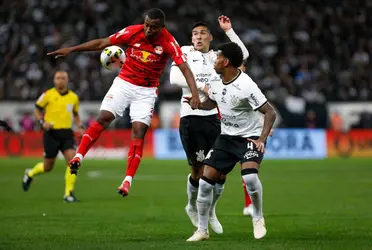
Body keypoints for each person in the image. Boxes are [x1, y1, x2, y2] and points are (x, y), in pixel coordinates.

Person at [47, 8, 201, 196]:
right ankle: (78, 157)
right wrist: (71, 49)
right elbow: (103, 42)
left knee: (138, 131)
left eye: (153, 27)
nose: (148, 30)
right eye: (146, 25)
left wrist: (195, 94)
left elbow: (185, 68)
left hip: (146, 91)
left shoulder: (169, 42)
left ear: (162, 27)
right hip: (124, 83)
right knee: (104, 117)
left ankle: (127, 180)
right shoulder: (133, 31)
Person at [184, 42, 276, 241]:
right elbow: (215, 101)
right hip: (226, 137)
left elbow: (270, 111)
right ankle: (202, 230)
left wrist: (261, 138)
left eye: (217, 57)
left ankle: (258, 217)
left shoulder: (246, 85)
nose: (214, 60)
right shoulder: (215, 81)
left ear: (226, 62)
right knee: (206, 181)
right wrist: (198, 103)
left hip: (249, 137)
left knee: (250, 178)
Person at [169, 17, 252, 234]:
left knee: (221, 173)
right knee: (198, 171)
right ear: (191, 38)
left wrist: (230, 30)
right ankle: (192, 206)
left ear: (210, 37)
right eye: (195, 33)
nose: (198, 37)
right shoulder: (184, 52)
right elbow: (174, 78)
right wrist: (202, 86)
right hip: (191, 118)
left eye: (203, 33)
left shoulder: (218, 56)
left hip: (216, 118)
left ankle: (211, 210)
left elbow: (242, 56)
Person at [22, 71, 84, 202]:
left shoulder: (73, 97)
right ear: (54, 80)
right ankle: (30, 173)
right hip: (51, 134)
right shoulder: (47, 95)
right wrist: (42, 122)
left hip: (67, 133)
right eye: (58, 78)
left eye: (63, 78)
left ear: (67, 81)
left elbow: (76, 114)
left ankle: (68, 194)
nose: (60, 80)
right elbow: (37, 109)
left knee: (73, 162)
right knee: (47, 167)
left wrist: (79, 126)